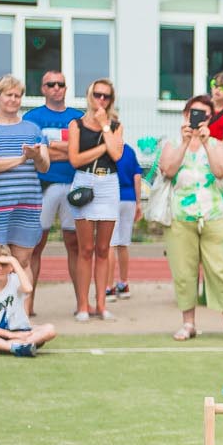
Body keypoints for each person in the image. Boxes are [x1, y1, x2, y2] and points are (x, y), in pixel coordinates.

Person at [159, 94, 223, 342]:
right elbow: (167, 170)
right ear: (185, 115)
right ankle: (188, 323)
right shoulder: (172, 143)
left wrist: (206, 143)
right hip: (181, 217)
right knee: (184, 272)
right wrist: (185, 143)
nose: (197, 118)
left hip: (213, 215)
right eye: (193, 113)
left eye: (204, 115)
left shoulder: (216, 144)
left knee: (222, 269)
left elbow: (222, 172)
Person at [0, 74, 50, 275]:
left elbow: (44, 167)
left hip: (26, 206)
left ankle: (23, 298)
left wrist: (36, 156)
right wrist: (22, 159)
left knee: (23, 261)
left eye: (17, 95)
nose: (13, 99)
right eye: (8, 95)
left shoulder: (33, 129)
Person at [22, 70, 82, 316]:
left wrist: (50, 148)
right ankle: (28, 306)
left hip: (74, 185)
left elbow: (82, 151)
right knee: (35, 246)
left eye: (61, 84)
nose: (56, 88)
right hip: (42, 186)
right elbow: (32, 153)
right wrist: (69, 150)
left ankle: (82, 305)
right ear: (43, 88)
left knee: (75, 246)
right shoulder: (31, 118)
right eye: (51, 84)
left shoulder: (78, 117)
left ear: (66, 88)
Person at [67, 78, 124, 322]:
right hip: (84, 181)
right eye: (97, 95)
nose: (101, 100)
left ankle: (101, 304)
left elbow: (117, 154)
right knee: (85, 249)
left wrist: (104, 126)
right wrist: (101, 148)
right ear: (89, 96)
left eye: (106, 96)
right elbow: (75, 160)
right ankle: (83, 305)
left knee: (103, 249)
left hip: (108, 182)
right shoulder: (77, 124)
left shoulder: (115, 125)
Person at [104, 129, 143, 302]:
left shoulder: (106, 150)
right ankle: (124, 283)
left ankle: (109, 286)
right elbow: (137, 177)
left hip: (111, 197)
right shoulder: (129, 151)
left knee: (110, 244)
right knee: (123, 244)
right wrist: (138, 202)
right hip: (129, 199)